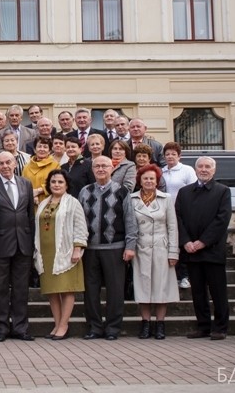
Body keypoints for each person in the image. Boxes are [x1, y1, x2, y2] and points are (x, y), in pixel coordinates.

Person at [0, 151, 35, 342]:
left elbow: (30, 217)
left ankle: (20, 328)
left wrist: (33, 243)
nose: (5, 166)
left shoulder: (25, 183)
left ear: (14, 163)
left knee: (21, 289)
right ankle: (0, 328)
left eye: (8, 162)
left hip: (23, 244)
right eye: (1, 163)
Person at [78, 156, 137, 340]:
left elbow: (130, 219)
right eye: (97, 166)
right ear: (93, 169)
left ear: (112, 168)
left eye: (105, 165)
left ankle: (112, 328)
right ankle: (94, 327)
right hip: (90, 249)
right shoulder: (85, 191)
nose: (101, 169)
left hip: (115, 248)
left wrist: (130, 246)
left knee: (115, 290)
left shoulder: (121, 191)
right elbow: (79, 221)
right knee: (90, 291)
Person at [176, 157, 232, 340]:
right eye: (200, 166)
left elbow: (222, 220)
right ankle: (203, 327)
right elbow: (178, 219)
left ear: (214, 170)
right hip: (190, 250)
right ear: (195, 169)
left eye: (208, 166)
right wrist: (186, 241)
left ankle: (220, 328)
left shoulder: (223, 191)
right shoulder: (184, 192)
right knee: (198, 292)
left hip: (212, 250)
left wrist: (203, 242)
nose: (204, 169)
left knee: (218, 291)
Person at [35, 169, 87, 340]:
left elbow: (80, 226)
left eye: (60, 182)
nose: (56, 185)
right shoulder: (43, 203)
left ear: (66, 184)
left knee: (66, 290)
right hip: (46, 254)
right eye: (53, 182)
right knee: (52, 291)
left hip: (66, 252)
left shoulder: (73, 203)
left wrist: (77, 248)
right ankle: (57, 324)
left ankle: (64, 325)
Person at [131, 164, 179, 340]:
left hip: (161, 248)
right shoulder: (132, 199)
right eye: (145, 178)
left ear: (157, 181)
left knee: (161, 288)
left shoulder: (166, 198)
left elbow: (172, 227)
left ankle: (160, 325)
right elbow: (130, 225)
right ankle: (145, 324)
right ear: (140, 181)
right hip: (140, 249)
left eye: (152, 178)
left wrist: (173, 252)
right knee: (143, 288)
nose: (149, 181)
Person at [161, 141, 197, 290]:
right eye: (167, 154)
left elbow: (194, 190)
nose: (170, 157)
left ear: (179, 156)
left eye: (173, 154)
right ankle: (173, 276)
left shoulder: (187, 170)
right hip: (164, 212)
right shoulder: (161, 171)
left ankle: (185, 276)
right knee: (169, 245)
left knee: (182, 243)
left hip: (182, 212)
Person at [22, 136, 58, 206]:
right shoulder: (27, 167)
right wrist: (33, 195)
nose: (42, 149)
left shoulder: (55, 166)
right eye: (39, 146)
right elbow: (23, 185)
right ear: (35, 150)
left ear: (50, 151)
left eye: (45, 147)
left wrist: (38, 191)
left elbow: (57, 185)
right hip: (30, 203)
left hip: (49, 203)